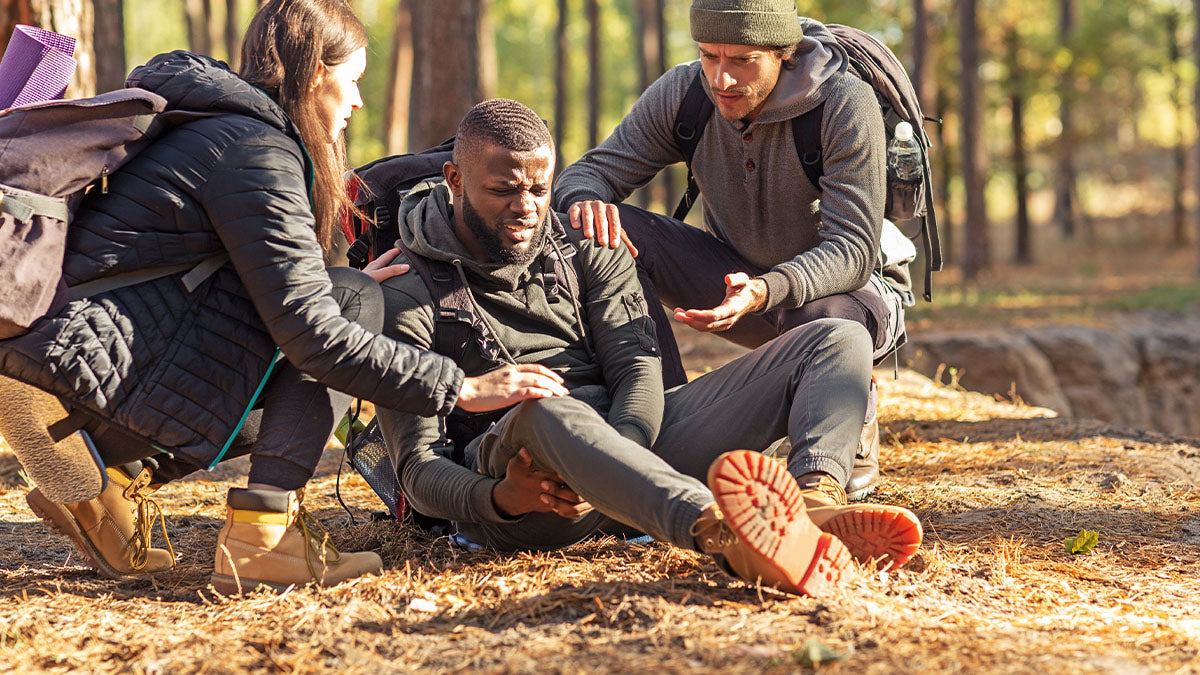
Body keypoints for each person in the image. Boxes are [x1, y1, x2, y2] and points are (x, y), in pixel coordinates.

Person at [0, 0, 556, 593]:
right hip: (83, 343)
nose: (359, 102)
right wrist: (461, 387)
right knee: (349, 310)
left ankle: (109, 475)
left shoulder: (216, 126)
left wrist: (343, 288)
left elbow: (234, 286)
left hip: (75, 332)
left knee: (346, 295)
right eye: (355, 81)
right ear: (318, 71)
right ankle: (262, 535)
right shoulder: (257, 151)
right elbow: (310, 332)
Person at [375, 98, 922, 597]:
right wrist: (499, 500)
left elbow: (638, 368)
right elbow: (418, 468)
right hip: (530, 492)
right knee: (545, 406)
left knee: (836, 337)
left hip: (636, 449)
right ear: (454, 179)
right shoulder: (409, 290)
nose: (526, 207)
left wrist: (619, 454)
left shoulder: (586, 244)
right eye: (503, 189)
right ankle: (722, 533)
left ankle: (815, 505)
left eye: (539, 189)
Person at [551, 0, 909, 501]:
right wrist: (585, 200)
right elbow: (591, 171)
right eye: (709, 55)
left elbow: (852, 250)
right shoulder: (685, 93)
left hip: (847, 296)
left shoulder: (843, 103)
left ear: (783, 53)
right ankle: (663, 418)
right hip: (729, 279)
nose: (721, 79)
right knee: (598, 227)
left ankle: (824, 470)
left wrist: (767, 290)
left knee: (827, 315)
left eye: (742, 60)